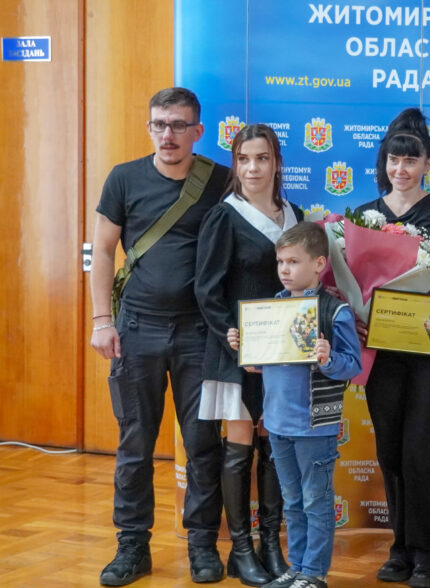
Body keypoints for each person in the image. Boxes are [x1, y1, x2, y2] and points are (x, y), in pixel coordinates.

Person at [90, 87, 230, 585]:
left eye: (178, 125)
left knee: (202, 443)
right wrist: (101, 321)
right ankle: (132, 547)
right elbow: (103, 250)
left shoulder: (221, 180)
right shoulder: (123, 178)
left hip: (200, 333)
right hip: (136, 330)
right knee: (135, 444)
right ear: (149, 127)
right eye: (158, 124)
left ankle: (202, 545)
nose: (167, 135)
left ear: (198, 131)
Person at [355, 108, 430, 588]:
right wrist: (355, 318)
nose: (400, 169)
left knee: (422, 453)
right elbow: (354, 285)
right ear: (383, 162)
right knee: (390, 452)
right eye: (393, 160)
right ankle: (400, 548)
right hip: (382, 352)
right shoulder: (365, 217)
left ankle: (429, 554)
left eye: (410, 160)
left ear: (428, 163)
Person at [195, 123, 303, 585]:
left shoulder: (295, 216)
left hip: (284, 353)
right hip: (237, 351)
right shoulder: (224, 216)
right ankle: (240, 551)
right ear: (235, 164)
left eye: (262, 158)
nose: (253, 168)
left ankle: (270, 545)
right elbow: (207, 289)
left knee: (273, 446)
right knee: (239, 447)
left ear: (276, 163)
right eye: (244, 159)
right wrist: (231, 336)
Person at [227, 221, 363, 588]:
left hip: (315, 424)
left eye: (293, 262)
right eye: (280, 262)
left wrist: (328, 358)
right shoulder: (272, 307)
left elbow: (353, 366)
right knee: (292, 501)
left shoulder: (335, 312)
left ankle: (314, 573)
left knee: (316, 501)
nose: (284, 270)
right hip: (278, 422)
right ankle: (298, 567)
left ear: (319, 264)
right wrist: (246, 348)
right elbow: (263, 364)